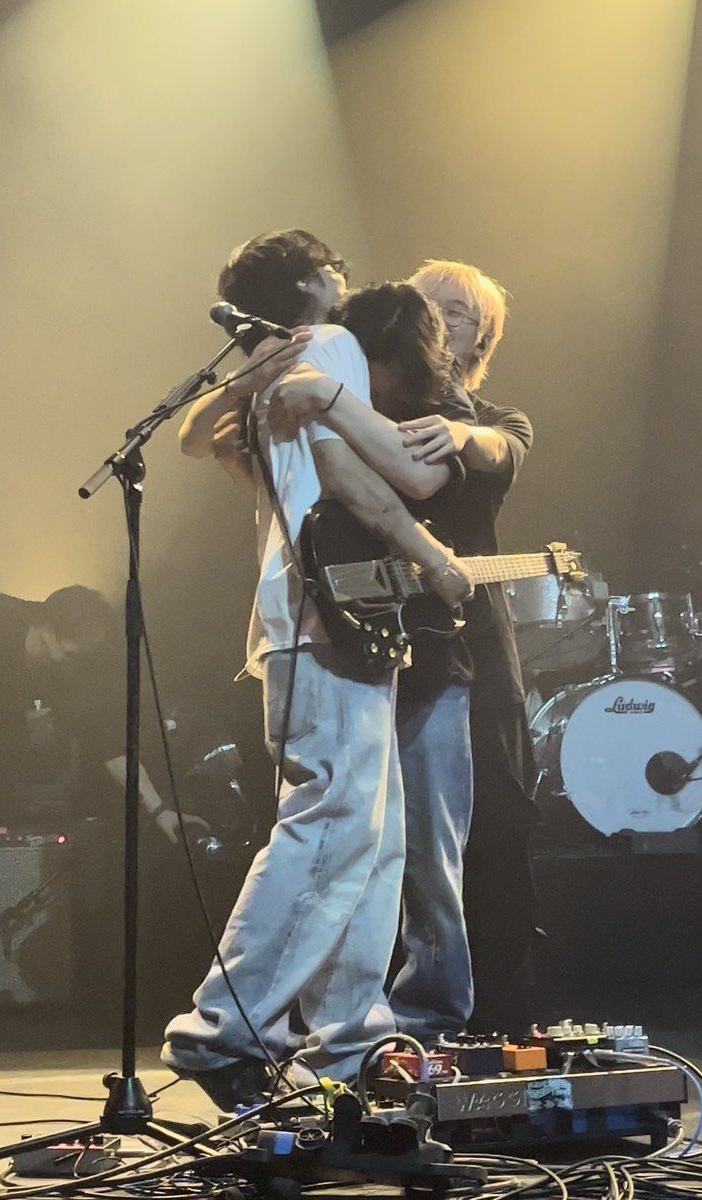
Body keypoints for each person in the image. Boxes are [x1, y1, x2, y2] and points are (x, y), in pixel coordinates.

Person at [161, 229, 474, 1107]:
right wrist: (431, 545)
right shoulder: (325, 345)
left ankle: (346, 1041)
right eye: (331, 268)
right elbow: (370, 480)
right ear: (309, 281)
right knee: (333, 827)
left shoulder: (267, 374)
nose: (345, 278)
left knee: (373, 841)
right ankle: (223, 1028)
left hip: (315, 620)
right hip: (323, 621)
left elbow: (220, 443)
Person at [274, 260, 536, 1035]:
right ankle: (328, 1016)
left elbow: (480, 453)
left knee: (428, 852)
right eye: (427, 301)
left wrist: (459, 430)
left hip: (439, 656)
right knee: (340, 840)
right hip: (341, 649)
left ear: (477, 340)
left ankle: (429, 1019)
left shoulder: (489, 417)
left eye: (456, 312)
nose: (434, 315)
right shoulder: (342, 389)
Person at [0, 586, 206, 844]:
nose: (75, 656)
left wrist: (158, 809)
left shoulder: (70, 672)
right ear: (47, 630)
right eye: (74, 647)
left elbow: (106, 743)